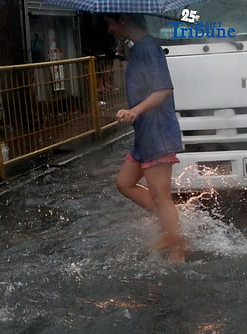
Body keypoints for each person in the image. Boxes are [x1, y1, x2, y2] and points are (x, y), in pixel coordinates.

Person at [104, 13, 185, 263]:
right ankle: (171, 228)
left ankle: (178, 249)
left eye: (110, 22)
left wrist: (134, 110)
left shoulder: (149, 47)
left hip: (157, 132)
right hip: (146, 133)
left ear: (123, 20)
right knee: (124, 183)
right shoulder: (138, 48)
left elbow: (163, 90)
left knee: (162, 197)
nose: (108, 28)